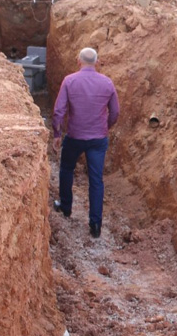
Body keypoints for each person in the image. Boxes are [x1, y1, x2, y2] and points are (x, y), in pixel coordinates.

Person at [52, 47, 120, 239]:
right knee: (96, 180)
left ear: (78, 60)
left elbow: (58, 111)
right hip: (98, 139)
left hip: (74, 136)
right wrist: (105, 127)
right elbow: (115, 112)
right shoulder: (107, 83)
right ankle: (95, 225)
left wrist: (57, 133)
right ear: (97, 62)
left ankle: (65, 207)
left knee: (66, 169)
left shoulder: (69, 81)